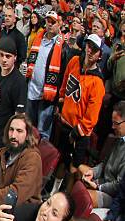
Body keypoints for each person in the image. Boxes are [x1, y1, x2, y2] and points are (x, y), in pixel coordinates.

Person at [53, 34, 106, 193]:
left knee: (74, 167)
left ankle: (67, 197)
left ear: (99, 55)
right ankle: (53, 192)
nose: (90, 51)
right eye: (89, 46)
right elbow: (64, 83)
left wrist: (77, 133)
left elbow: (92, 118)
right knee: (60, 160)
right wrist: (60, 101)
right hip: (64, 123)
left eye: (94, 49)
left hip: (79, 133)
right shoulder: (74, 61)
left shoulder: (97, 83)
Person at [0, 114, 42, 221]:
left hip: (18, 215)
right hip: (2, 206)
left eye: (19, 131)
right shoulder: (6, 151)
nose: (13, 135)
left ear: (27, 135)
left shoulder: (32, 158)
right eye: (11, 130)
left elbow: (13, 194)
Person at [26, 11, 68, 140]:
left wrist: (58, 99)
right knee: (28, 128)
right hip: (32, 90)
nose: (49, 24)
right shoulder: (37, 39)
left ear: (59, 25)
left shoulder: (63, 47)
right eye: (48, 21)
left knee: (42, 132)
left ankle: (41, 158)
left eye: (53, 22)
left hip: (47, 96)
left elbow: (63, 75)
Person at [78, 101, 125, 208]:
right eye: (112, 122)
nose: (113, 127)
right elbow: (104, 163)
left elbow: (119, 185)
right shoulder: (119, 139)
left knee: (86, 197)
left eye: (116, 123)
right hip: (103, 182)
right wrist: (92, 172)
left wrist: (98, 187)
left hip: (114, 196)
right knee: (79, 172)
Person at [0, 37, 27, 152]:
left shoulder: (18, 82)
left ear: (14, 58)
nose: (4, 60)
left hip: (0, 140)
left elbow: (19, 116)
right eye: (1, 55)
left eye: (8, 56)